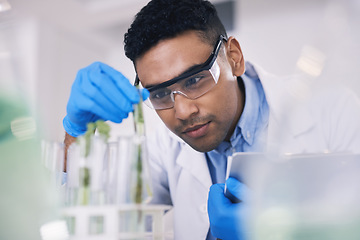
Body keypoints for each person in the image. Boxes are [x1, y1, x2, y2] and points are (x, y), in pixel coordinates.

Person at [62, 0, 360, 239]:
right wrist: (75, 132)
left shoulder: (334, 110)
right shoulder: (162, 145)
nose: (182, 112)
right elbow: (91, 215)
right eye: (160, 93)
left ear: (234, 58)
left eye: (194, 81)